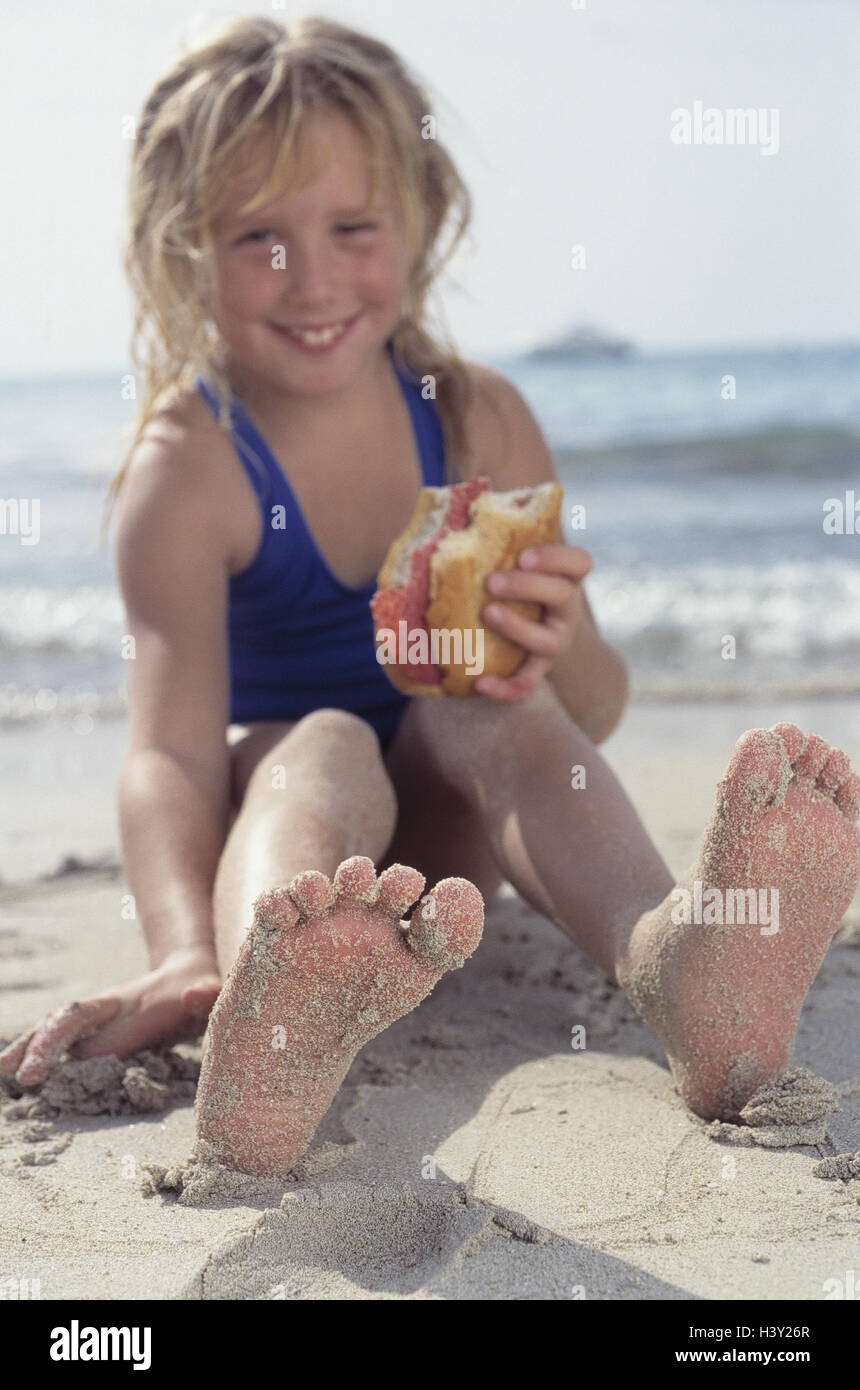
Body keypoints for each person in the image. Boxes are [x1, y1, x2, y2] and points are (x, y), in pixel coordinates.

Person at [2, 16, 857, 1176]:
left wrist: (548, 646)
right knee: (327, 737)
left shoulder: (476, 420)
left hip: (445, 860)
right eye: (257, 235)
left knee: (482, 709)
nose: (308, 278)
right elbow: (169, 758)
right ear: (181, 249)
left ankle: (674, 963)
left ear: (419, 215)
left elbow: (590, 707)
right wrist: (175, 949)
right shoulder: (191, 466)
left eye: (351, 227)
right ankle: (267, 989)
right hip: (291, 823)